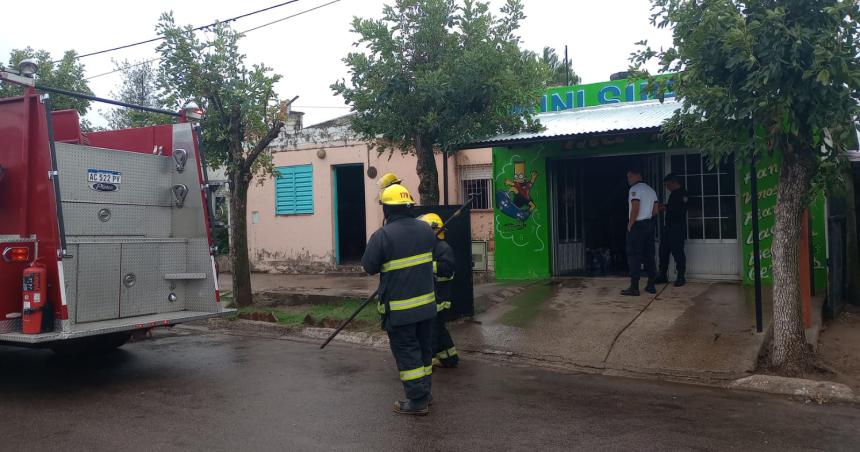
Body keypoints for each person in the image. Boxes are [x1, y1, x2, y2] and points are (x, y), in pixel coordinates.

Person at [362, 183, 438, 416]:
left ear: (387, 209)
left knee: (407, 353)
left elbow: (369, 266)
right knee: (425, 351)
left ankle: (417, 401)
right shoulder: (426, 230)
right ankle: (425, 392)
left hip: (400, 310)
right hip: (427, 307)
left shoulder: (382, 235)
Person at [418, 213, 459, 369]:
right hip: (435, 295)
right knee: (439, 329)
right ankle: (450, 358)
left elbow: (447, 269)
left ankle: (431, 358)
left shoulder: (443, 247)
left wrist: (428, 266)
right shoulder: (431, 247)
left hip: (440, 297)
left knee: (433, 330)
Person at [622, 169, 659, 296]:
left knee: (634, 255)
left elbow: (635, 208)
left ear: (636, 175)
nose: (629, 179)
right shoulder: (651, 190)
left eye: (630, 176)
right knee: (649, 254)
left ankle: (634, 287)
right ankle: (651, 284)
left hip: (637, 225)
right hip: (649, 225)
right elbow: (655, 211)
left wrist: (630, 224)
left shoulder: (635, 189)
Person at [655, 174, 688, 287]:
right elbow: (672, 206)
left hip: (678, 227)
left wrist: (665, 208)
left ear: (674, 182)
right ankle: (662, 274)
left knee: (677, 251)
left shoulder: (683, 193)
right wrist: (665, 206)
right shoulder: (673, 194)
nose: (667, 187)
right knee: (663, 250)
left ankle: (681, 276)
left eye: (667, 184)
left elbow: (680, 210)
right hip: (668, 226)